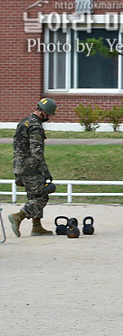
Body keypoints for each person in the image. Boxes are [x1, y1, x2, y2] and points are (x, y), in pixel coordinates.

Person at [7, 97, 57, 237]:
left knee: (33, 196)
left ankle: (37, 227)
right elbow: (37, 153)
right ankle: (18, 217)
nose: (48, 118)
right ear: (44, 113)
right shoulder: (35, 127)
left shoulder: (24, 122)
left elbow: (16, 146)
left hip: (19, 166)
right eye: (49, 115)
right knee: (41, 197)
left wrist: (17, 170)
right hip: (31, 168)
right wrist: (46, 174)